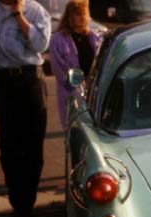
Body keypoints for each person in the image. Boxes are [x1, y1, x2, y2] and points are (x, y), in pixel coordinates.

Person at [0, 0, 50, 217]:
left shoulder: (35, 10)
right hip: (3, 80)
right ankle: (17, 198)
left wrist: (19, 17)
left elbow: (41, 45)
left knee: (33, 142)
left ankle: (26, 201)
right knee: (9, 144)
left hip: (30, 78)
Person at [49, 0, 101, 131]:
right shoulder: (59, 39)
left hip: (94, 89)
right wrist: (78, 83)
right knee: (74, 128)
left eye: (84, 13)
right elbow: (58, 68)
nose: (82, 17)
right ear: (70, 16)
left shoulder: (94, 37)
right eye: (78, 14)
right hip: (71, 92)